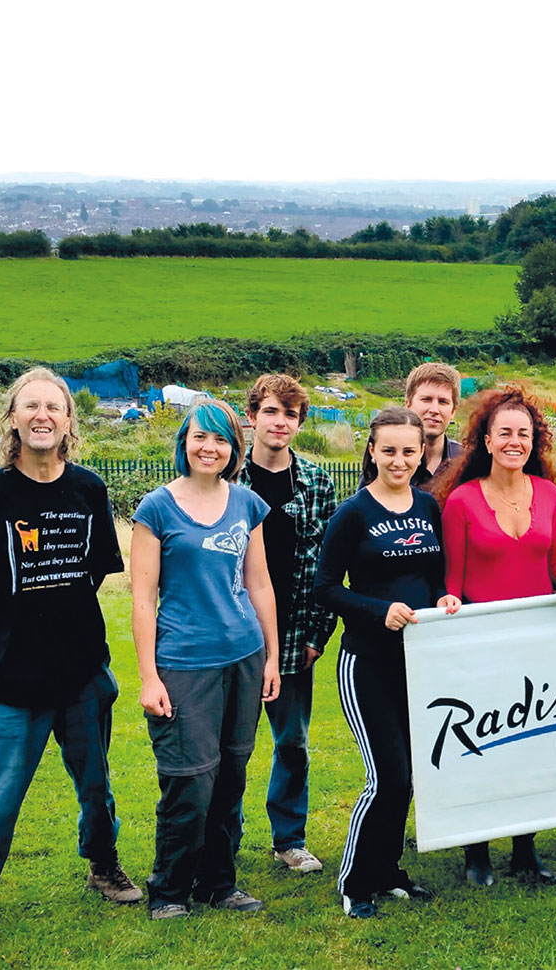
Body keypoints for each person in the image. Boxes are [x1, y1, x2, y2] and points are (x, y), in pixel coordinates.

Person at [0, 368, 140, 939]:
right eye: (30, 406)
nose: (42, 415)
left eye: (54, 406)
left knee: (96, 787)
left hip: (83, 673)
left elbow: (92, 574)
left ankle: (102, 864)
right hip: (9, 680)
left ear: (69, 420)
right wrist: (3, 633)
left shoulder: (90, 490)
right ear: (13, 419)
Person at [131, 399, 281, 920]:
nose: (209, 448)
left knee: (232, 775)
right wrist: (149, 676)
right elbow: (142, 600)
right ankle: (169, 889)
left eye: (220, 440)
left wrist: (271, 657)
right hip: (183, 662)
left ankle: (219, 882)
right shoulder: (156, 509)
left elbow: (259, 582)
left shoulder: (246, 504)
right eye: (200, 437)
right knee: (189, 780)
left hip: (243, 655)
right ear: (184, 443)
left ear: (233, 450)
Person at [315, 407, 460, 918]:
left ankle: (389, 871)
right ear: (371, 451)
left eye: (409, 450)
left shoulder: (428, 507)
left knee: (410, 777)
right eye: (389, 450)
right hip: (367, 664)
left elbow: (437, 573)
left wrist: (444, 597)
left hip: (419, 665)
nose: (399, 460)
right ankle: (355, 882)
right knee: (387, 778)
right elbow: (325, 588)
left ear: (422, 453)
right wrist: (380, 611)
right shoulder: (352, 513)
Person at [434, 386, 556, 887]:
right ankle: (477, 853)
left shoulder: (551, 496)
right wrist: (449, 602)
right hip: (481, 643)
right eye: (505, 433)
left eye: (524, 433)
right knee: (482, 746)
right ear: (487, 441)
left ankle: (525, 851)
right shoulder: (462, 501)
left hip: (538, 641)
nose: (515, 441)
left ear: (534, 441)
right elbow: (453, 583)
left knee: (531, 748)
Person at [237, 374, 337, 874]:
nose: (280, 422)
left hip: (296, 633)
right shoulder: (230, 481)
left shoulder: (317, 482)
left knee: (292, 742)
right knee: (229, 745)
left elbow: (328, 564)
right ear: (251, 416)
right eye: (271, 412)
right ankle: (221, 837)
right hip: (233, 634)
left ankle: (288, 839)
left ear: (299, 424)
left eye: (290, 415)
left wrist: (317, 635)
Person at [357, 362, 462, 490]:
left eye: (443, 402)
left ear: (453, 411)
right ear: (408, 404)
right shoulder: (386, 462)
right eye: (426, 399)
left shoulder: (466, 462)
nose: (434, 409)